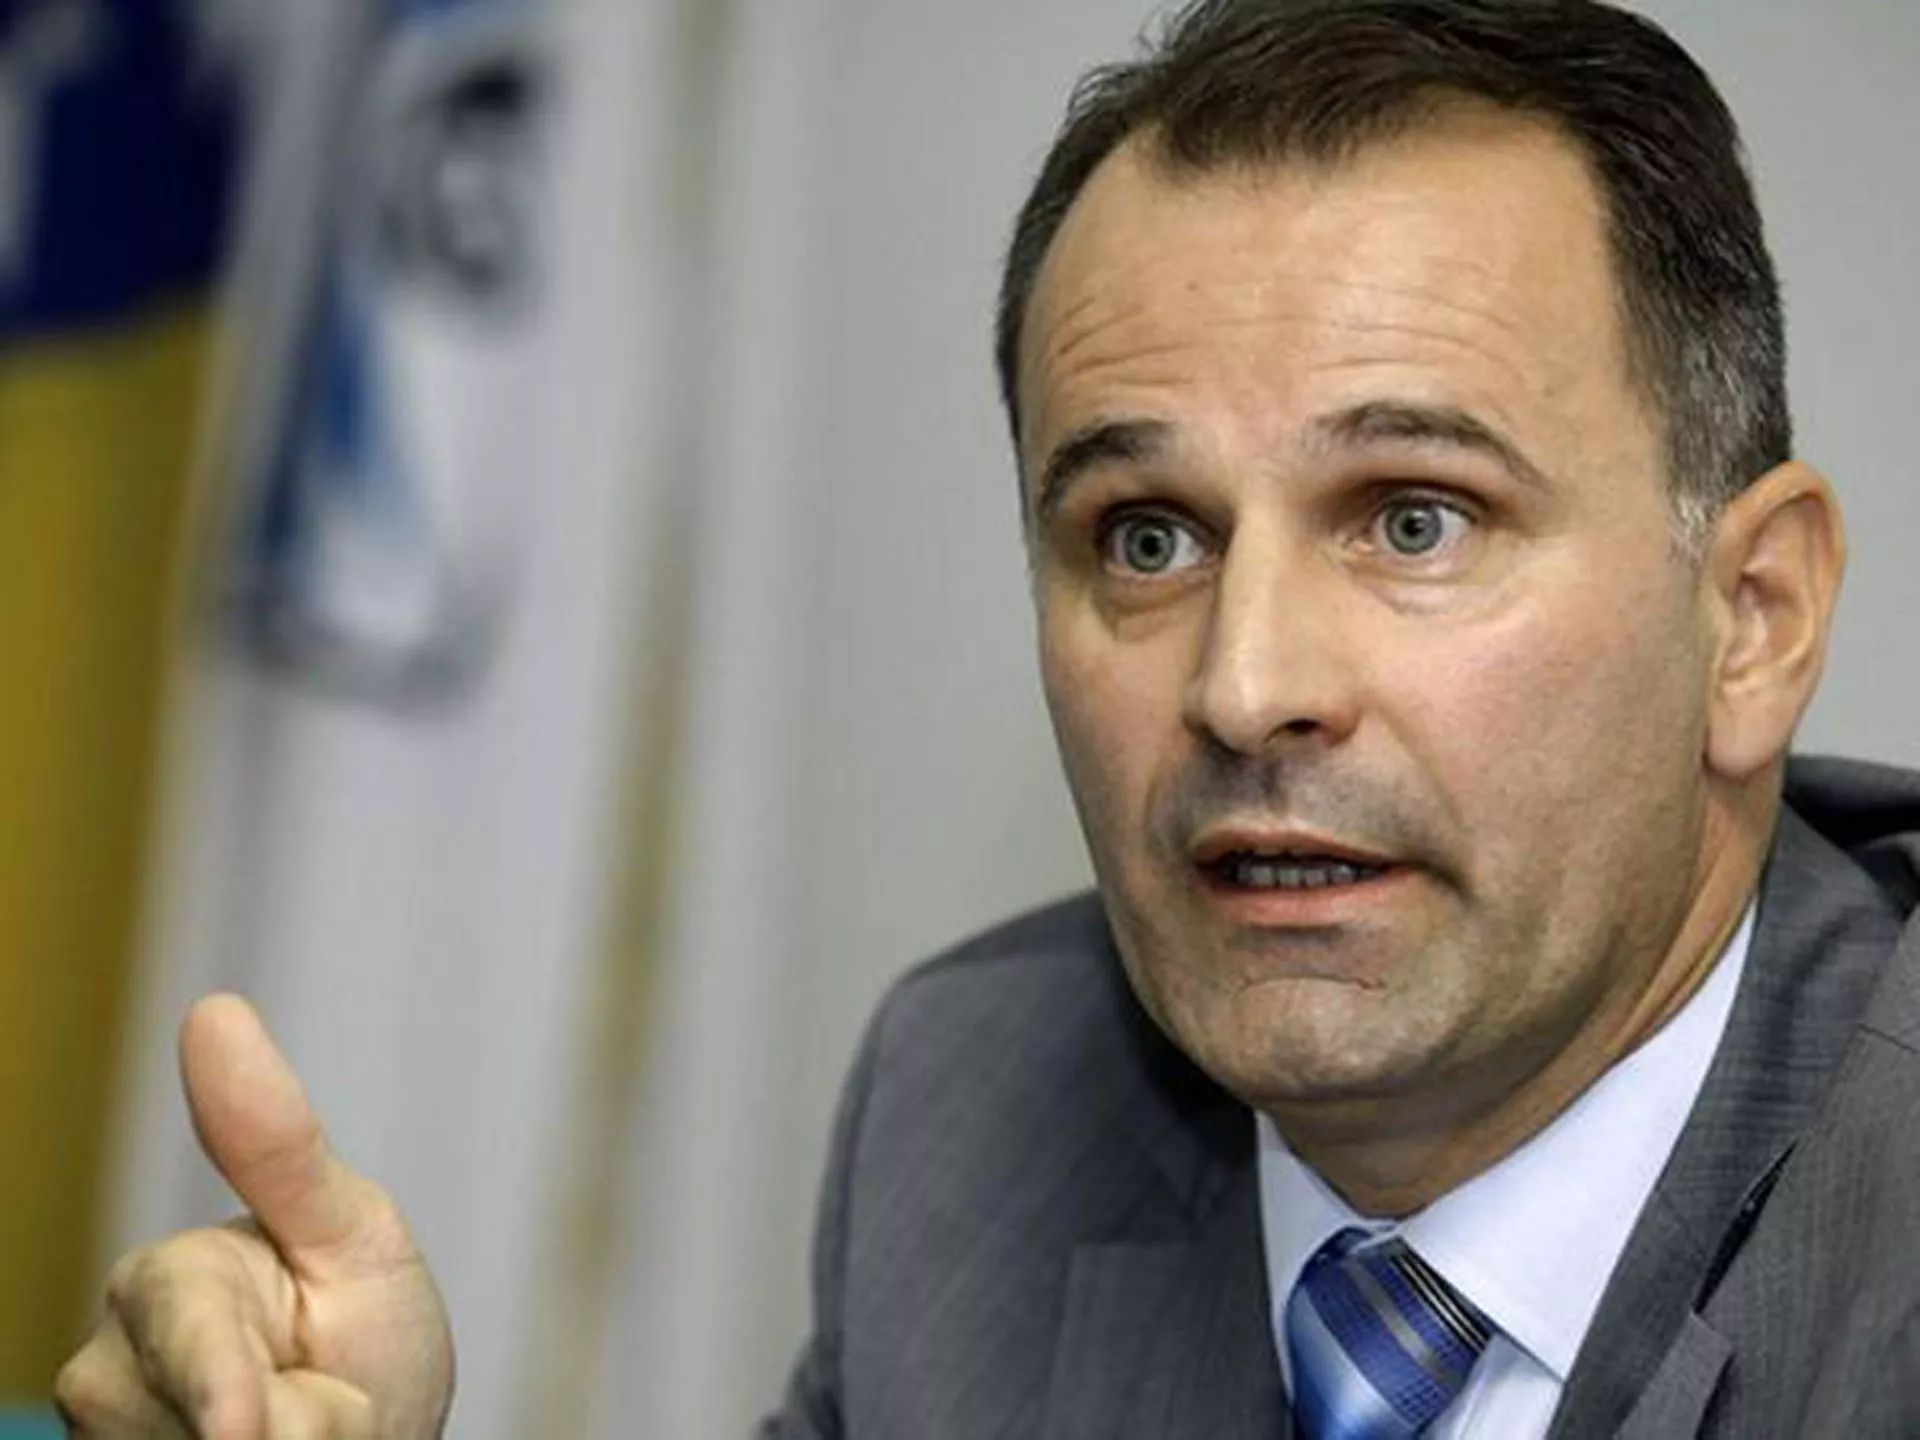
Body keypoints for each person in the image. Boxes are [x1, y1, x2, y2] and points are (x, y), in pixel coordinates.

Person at [54, 0, 1920, 1435]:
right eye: (1147, 536)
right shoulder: (986, 1107)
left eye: (1414, 519)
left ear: (1753, 621)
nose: (1246, 685)